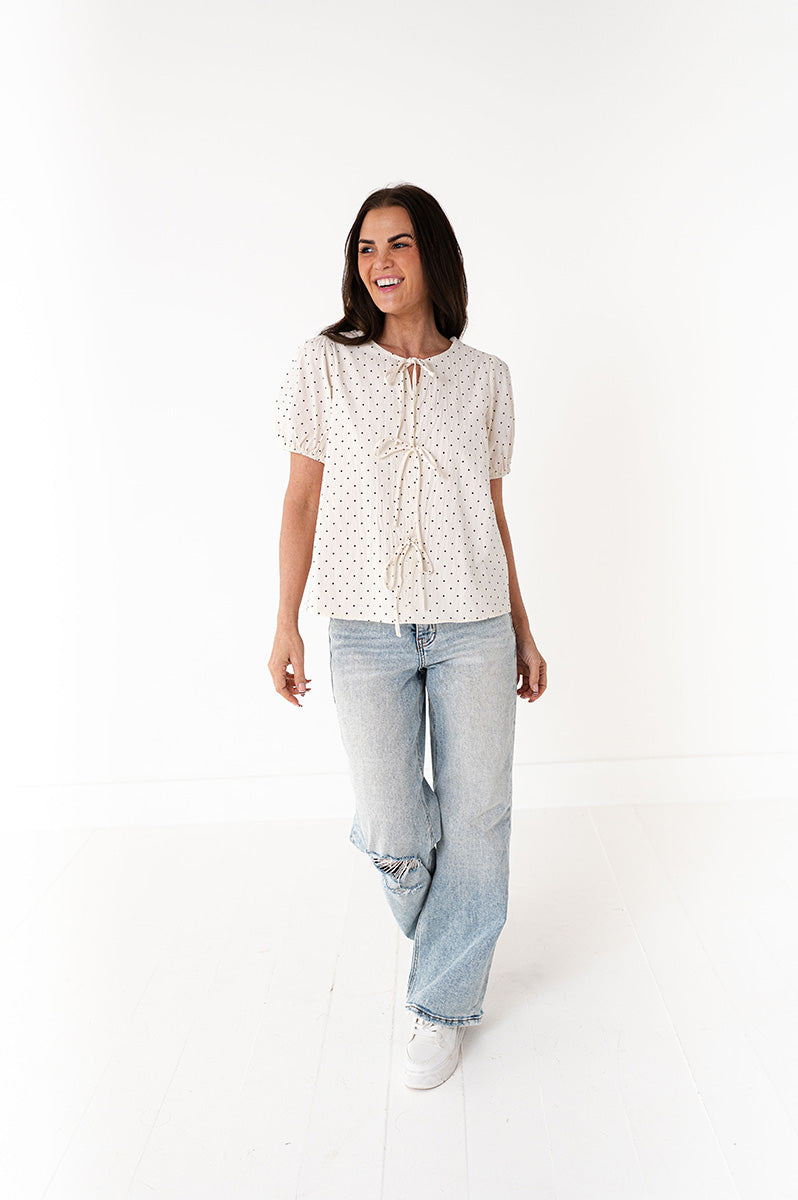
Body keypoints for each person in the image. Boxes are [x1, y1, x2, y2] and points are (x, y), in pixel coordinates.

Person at [268, 183, 547, 1090]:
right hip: (362, 629)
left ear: (433, 254)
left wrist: (523, 626)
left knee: (479, 815)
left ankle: (439, 1003)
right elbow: (301, 499)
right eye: (365, 248)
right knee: (394, 820)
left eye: (398, 244)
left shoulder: (487, 378)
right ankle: (454, 942)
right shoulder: (324, 364)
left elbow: (492, 513)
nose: (379, 263)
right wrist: (285, 621)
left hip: (475, 626)